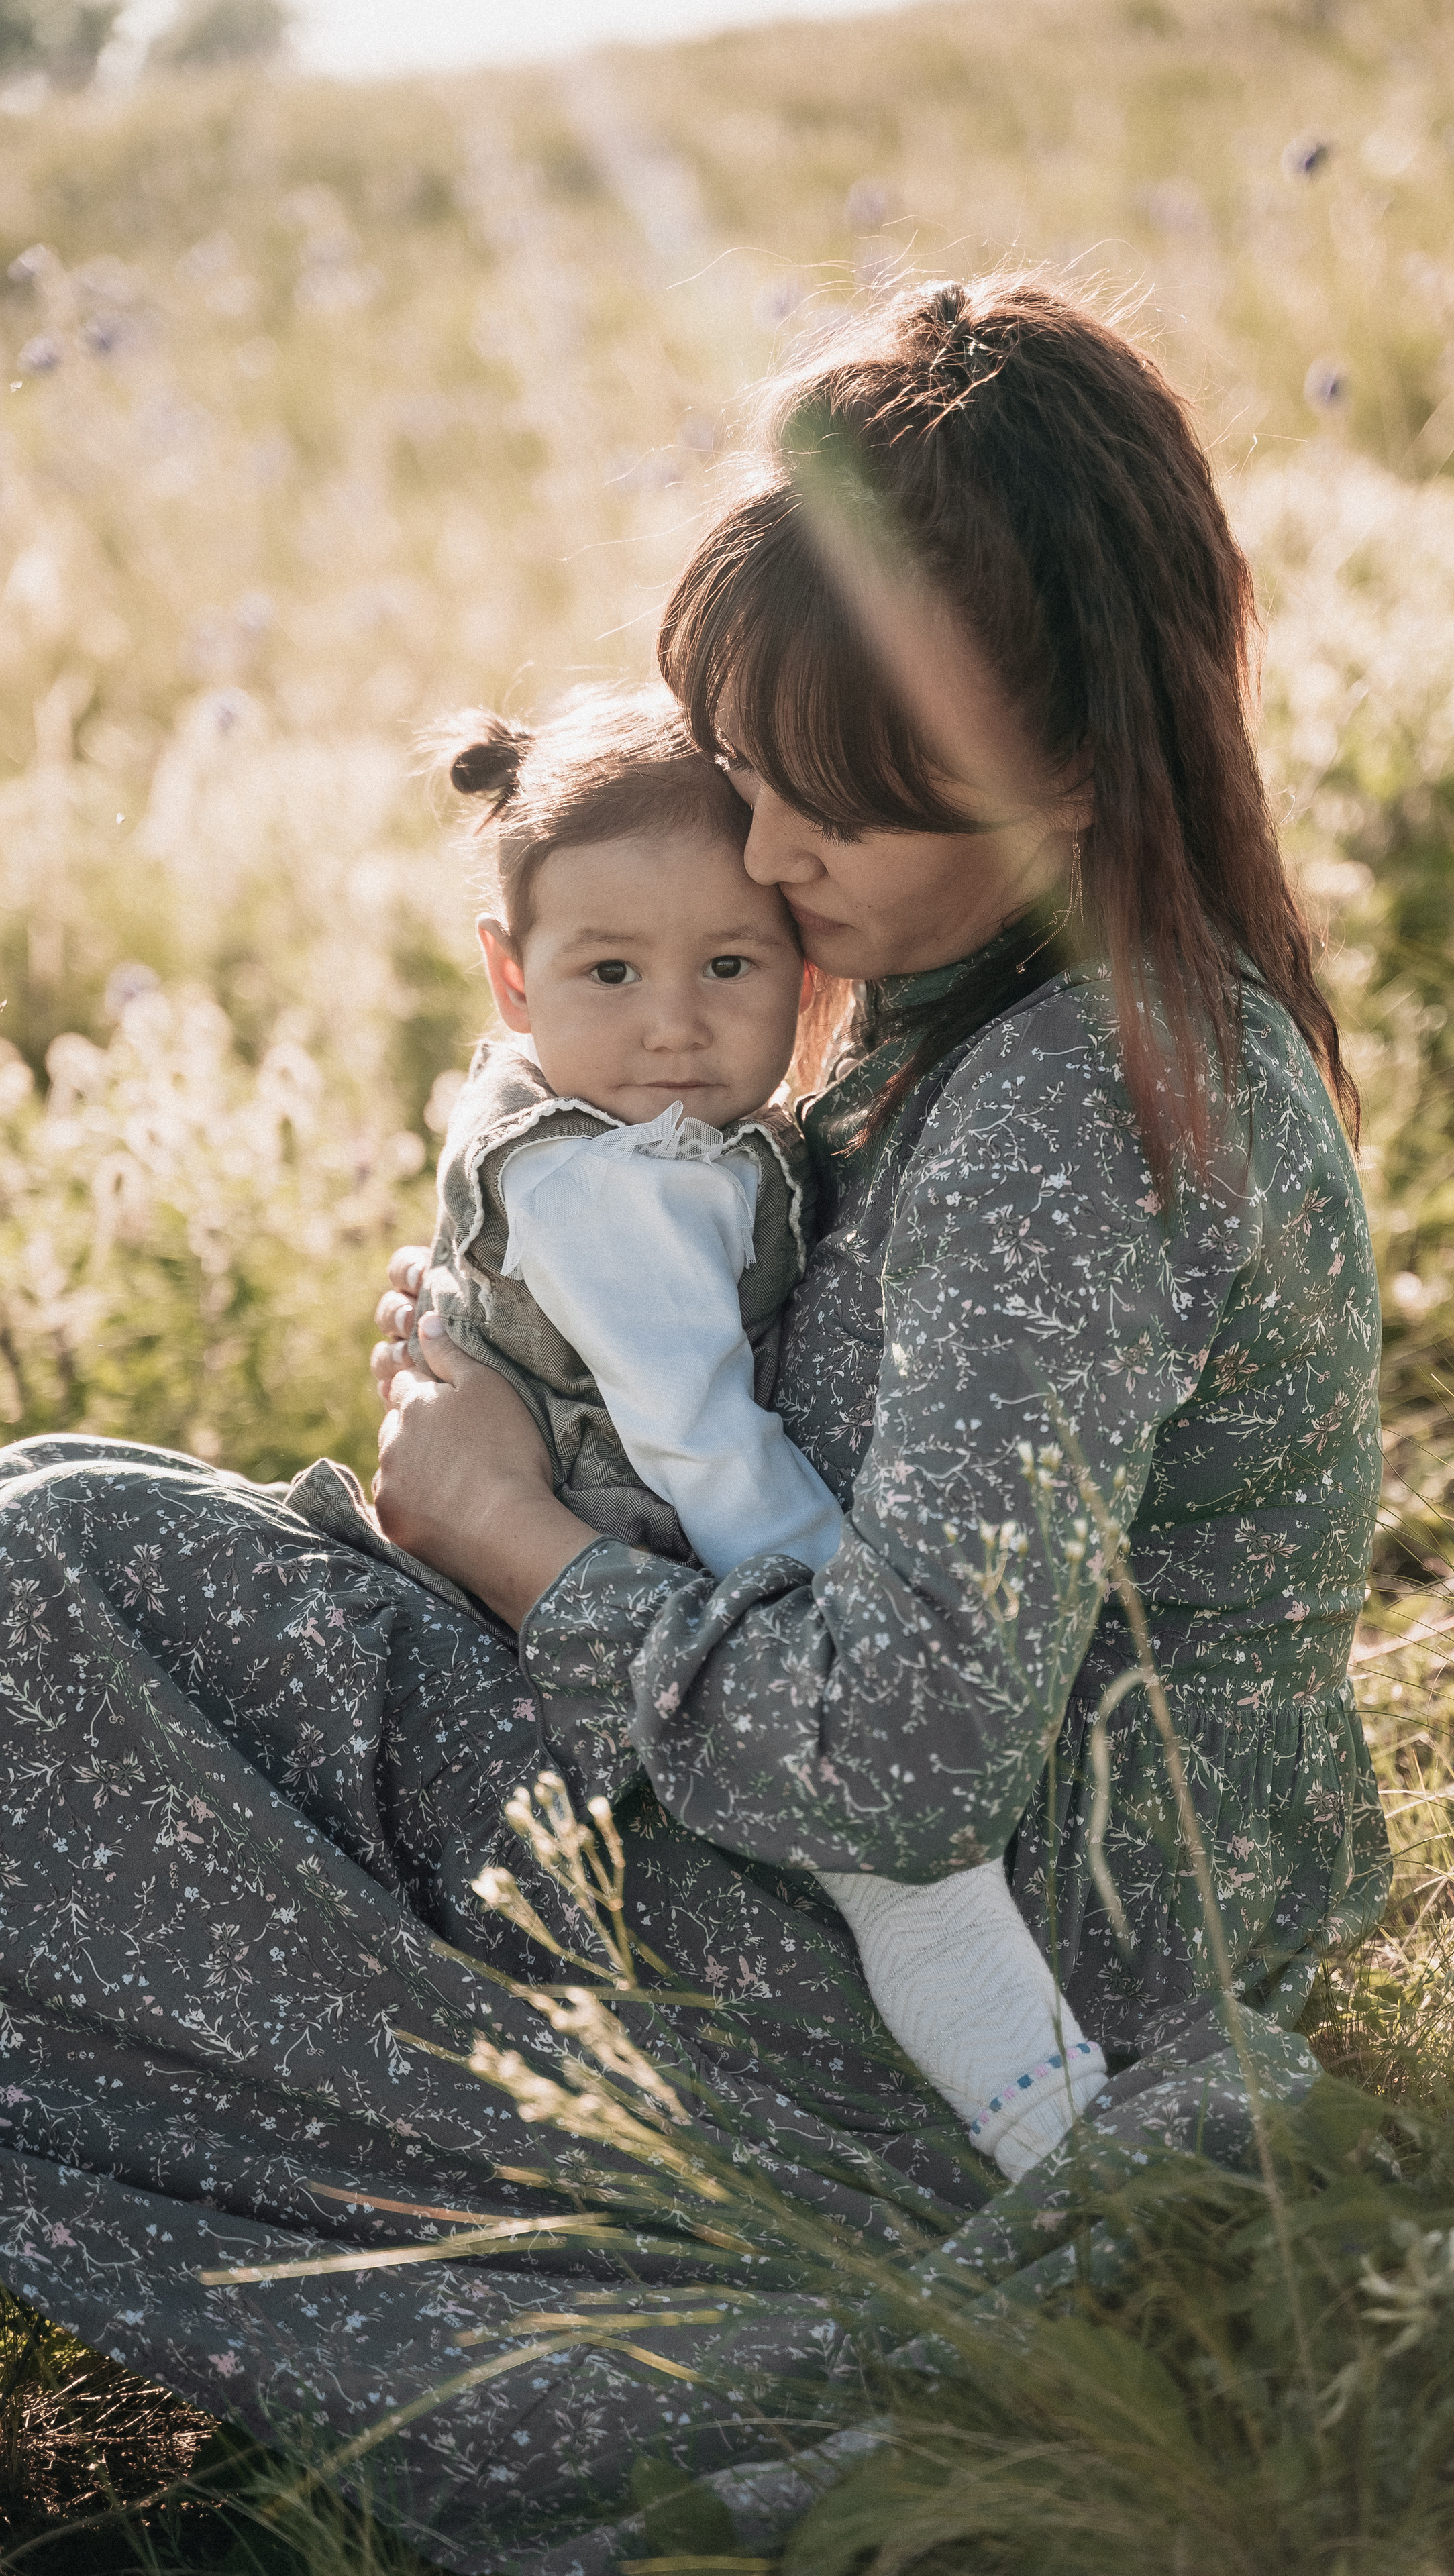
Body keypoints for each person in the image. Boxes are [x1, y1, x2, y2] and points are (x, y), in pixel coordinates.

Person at [0, 275, 1388, 2575]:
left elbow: (917, 1752)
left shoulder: (1072, 1111)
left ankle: (453, 2337)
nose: (765, 843)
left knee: (31, 1610)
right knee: (51, 1544)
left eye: (829, 797)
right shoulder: (999, 1006)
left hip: (966, 1981)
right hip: (861, 1858)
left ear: (1052, 767)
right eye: (751, 762)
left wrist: (519, 1547)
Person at [349, 677, 1109, 2180]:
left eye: (725, 965)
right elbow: (701, 1441)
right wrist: (845, 1623)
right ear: (512, 979)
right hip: (642, 1604)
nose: (677, 1029)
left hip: (627, 1606)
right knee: (911, 1882)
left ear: (800, 960)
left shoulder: (637, 1129)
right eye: (611, 974)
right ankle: (1064, 2152)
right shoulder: (596, 1185)